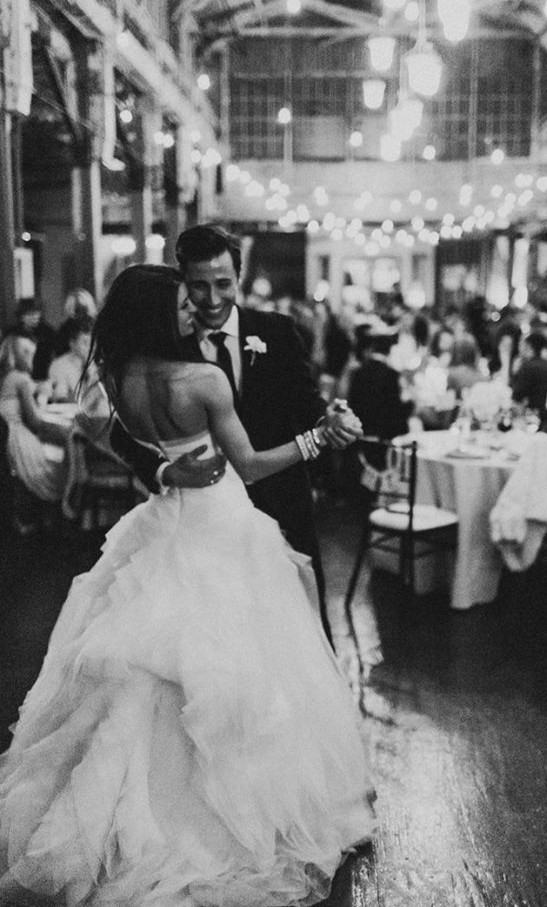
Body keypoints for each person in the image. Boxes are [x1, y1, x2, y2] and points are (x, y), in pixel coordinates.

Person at [0, 264, 374, 906]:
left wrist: (163, 468)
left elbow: (102, 434)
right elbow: (251, 466)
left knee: (149, 664)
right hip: (222, 521)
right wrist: (317, 439)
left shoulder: (116, 374)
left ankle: (131, 809)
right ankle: (215, 820)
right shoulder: (202, 379)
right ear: (156, 311)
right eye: (180, 302)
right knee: (242, 664)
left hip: (163, 519)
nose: (192, 311)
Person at [110, 224, 361, 648]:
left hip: (281, 501)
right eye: (198, 286)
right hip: (202, 523)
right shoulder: (168, 344)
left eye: (223, 284)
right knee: (221, 643)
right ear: (181, 282)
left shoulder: (278, 331)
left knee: (304, 634)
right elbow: (118, 432)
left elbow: (305, 400)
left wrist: (330, 420)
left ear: (238, 278)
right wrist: (164, 470)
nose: (211, 299)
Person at [0, 335, 68, 528]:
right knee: (59, 456)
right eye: (28, 354)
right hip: (17, 437)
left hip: (6, 435)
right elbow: (35, 421)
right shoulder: (20, 379)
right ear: (19, 356)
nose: (32, 359)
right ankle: (61, 511)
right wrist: (44, 396)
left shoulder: (8, 377)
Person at [512, 330, 547, 416]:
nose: (518, 347)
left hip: (541, 417)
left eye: (521, 344)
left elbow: (517, 396)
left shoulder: (528, 366)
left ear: (528, 347)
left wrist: (514, 373)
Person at [5, 297, 57, 381]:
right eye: (30, 314)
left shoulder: (48, 332)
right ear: (21, 316)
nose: (35, 316)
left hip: (43, 376)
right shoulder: (12, 333)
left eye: (37, 313)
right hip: (18, 376)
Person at [48, 315, 95, 402]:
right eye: (85, 342)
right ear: (72, 344)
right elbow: (60, 398)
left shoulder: (99, 363)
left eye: (93, 342)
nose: (90, 347)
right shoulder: (59, 365)